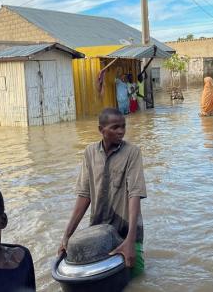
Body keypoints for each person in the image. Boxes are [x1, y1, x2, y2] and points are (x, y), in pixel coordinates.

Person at [59, 108, 147, 278]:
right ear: (101, 130)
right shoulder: (90, 153)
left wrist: (130, 241)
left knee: (138, 277)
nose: (121, 131)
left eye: (123, 126)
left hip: (126, 230)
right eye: (115, 127)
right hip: (98, 233)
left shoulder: (132, 153)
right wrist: (67, 236)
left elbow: (134, 195)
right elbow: (84, 195)